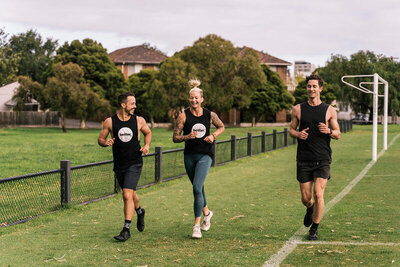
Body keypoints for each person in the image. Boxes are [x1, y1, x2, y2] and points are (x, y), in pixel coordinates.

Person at [289, 74, 340, 240]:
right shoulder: (297, 109)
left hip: (323, 158)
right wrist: (298, 134)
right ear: (307, 89)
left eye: (314, 86)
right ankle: (309, 208)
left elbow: (338, 133)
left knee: (319, 194)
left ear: (320, 89)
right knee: (306, 198)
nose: (311, 89)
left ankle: (314, 229)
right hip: (304, 159)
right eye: (309, 86)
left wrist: (329, 131)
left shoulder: (329, 110)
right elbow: (291, 130)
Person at [173, 79, 225, 239]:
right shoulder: (183, 116)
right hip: (189, 156)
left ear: (202, 99)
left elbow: (222, 127)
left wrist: (213, 135)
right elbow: (175, 137)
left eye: (197, 98)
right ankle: (207, 213)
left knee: (196, 187)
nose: (194, 100)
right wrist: (187, 136)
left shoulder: (210, 115)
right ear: (189, 99)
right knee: (199, 188)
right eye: (191, 98)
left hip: (205, 155)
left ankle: (196, 226)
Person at [98, 92, 152, 241]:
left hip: (135, 163)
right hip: (119, 164)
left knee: (127, 195)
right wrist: (105, 142)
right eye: (132, 103)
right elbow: (100, 139)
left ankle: (126, 229)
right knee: (131, 193)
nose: (135, 106)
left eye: (135, 103)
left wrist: (147, 145)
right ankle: (140, 212)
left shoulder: (138, 120)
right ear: (123, 105)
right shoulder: (110, 122)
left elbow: (148, 133)